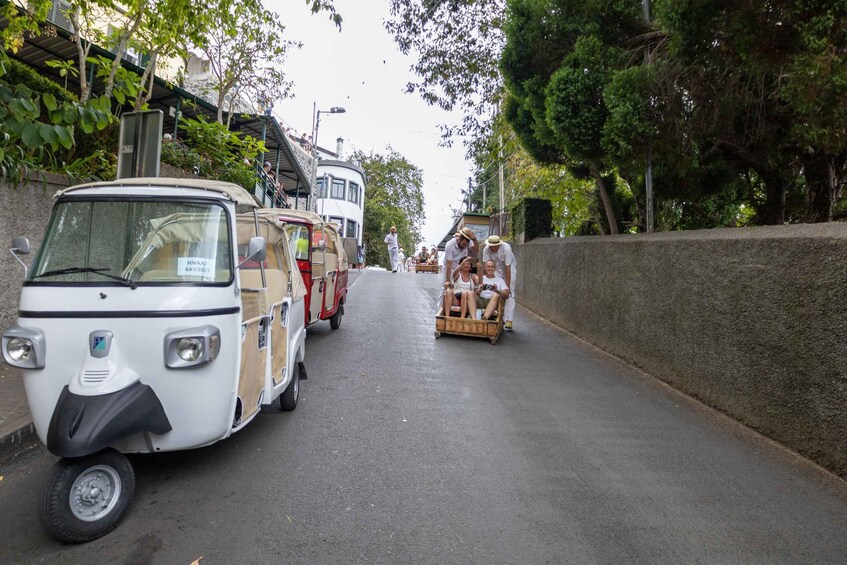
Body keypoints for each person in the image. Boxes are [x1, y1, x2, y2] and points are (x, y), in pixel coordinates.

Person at [482, 235, 517, 330]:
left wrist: (507, 287)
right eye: (490, 246)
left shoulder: (506, 248)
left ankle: (509, 319)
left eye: (493, 246)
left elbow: (507, 268)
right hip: (496, 267)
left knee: (509, 292)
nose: (491, 248)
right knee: (496, 288)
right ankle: (497, 313)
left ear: (498, 245)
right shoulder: (486, 250)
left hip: (509, 267)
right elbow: (485, 265)